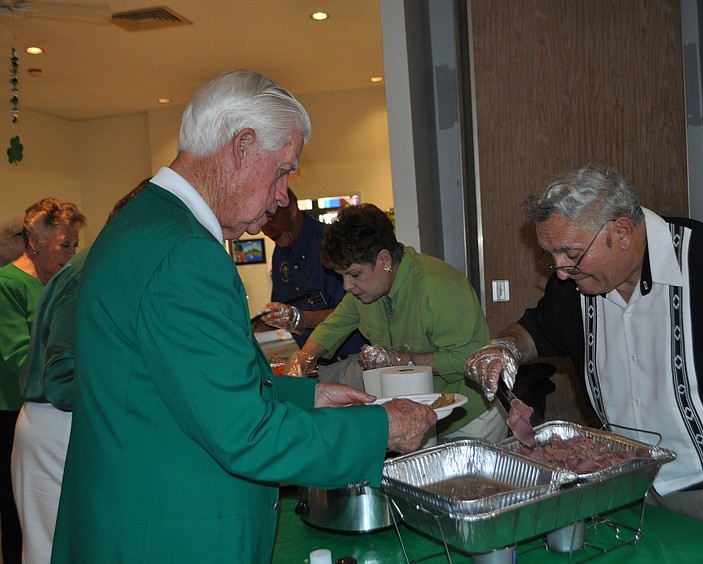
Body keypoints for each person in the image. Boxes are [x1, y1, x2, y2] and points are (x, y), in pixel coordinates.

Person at [50, 70, 435, 563]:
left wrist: (311, 395)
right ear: (243, 146)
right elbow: (245, 433)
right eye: (283, 171)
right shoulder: (185, 253)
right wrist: (380, 429)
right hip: (172, 537)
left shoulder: (141, 222)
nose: (283, 195)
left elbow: (179, 385)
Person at [465, 164, 703, 562]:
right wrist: (505, 346)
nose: (561, 271)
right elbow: (538, 328)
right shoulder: (576, 283)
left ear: (621, 231)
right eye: (553, 256)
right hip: (640, 493)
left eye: (571, 253)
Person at [283, 203, 507, 441]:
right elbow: (331, 328)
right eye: (342, 276)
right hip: (422, 417)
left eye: (355, 274)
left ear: (384, 260)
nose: (347, 286)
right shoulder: (363, 295)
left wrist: (402, 359)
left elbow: (468, 358)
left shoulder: (439, 285)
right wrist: (301, 360)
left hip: (471, 417)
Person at [10, 182, 145, 564]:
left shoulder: (91, 265)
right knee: (54, 551)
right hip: (55, 422)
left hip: (60, 421)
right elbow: (61, 379)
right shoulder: (92, 270)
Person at [0, 198, 86, 564]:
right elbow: (18, 357)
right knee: (19, 521)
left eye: (75, 246)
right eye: (64, 245)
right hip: (14, 412)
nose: (70, 254)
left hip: (54, 412)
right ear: (35, 241)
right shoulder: (8, 284)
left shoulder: (59, 284)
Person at [254, 188, 367, 359]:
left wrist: (303, 318)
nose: (266, 229)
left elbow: (355, 312)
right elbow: (283, 305)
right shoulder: (280, 253)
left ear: (292, 208)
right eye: (260, 221)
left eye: (270, 218)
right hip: (313, 359)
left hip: (352, 358)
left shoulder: (331, 242)